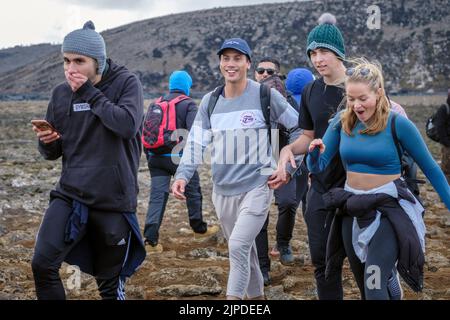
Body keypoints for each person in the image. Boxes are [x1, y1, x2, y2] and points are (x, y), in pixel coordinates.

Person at [306, 59, 450, 300]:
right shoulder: (342, 122)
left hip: (388, 209)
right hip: (352, 209)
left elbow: (431, 169)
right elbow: (317, 165)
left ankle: (386, 277)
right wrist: (313, 152)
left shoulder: (398, 124)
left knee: (373, 285)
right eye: (351, 99)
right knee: (366, 284)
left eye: (363, 98)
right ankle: (390, 281)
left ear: (379, 92)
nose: (356, 106)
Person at [171, 38, 301, 300]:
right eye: (226, 58)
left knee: (238, 246)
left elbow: (298, 128)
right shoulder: (210, 101)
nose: (231, 64)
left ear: (247, 63)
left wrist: (286, 165)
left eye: (237, 58)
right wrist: (182, 175)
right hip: (222, 193)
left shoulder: (265, 95)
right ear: (220, 63)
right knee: (247, 253)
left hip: (257, 186)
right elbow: (195, 143)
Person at [31, 21, 146, 300]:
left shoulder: (126, 83)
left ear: (99, 61)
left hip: (112, 199)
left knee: (109, 284)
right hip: (70, 194)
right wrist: (48, 142)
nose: (71, 69)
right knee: (42, 264)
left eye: (79, 61)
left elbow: (127, 125)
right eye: (66, 61)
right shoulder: (60, 94)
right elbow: (54, 151)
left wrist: (88, 93)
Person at [269, 13, 347, 300]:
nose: (318, 58)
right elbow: (307, 135)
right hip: (321, 187)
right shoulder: (311, 89)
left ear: (339, 53)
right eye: (313, 53)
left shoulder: (359, 88)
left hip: (357, 186)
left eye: (324, 51)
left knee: (366, 263)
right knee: (323, 263)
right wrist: (288, 150)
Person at [143, 70, 219, 253]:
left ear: (171, 84)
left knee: (157, 197)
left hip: (155, 159)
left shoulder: (156, 103)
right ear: (187, 86)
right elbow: (195, 132)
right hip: (179, 158)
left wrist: (151, 157)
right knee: (193, 191)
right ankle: (199, 228)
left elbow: (147, 133)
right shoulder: (188, 104)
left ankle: (150, 240)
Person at [253, 58, 304, 286]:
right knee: (258, 215)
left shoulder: (288, 99)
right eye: (260, 70)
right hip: (258, 160)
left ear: (278, 74)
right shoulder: (247, 96)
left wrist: (292, 165)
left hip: (283, 154)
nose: (264, 74)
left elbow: (301, 130)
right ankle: (263, 267)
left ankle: (283, 242)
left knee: (288, 202)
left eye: (269, 71)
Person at [435, 90, 450, 182]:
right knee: (447, 171)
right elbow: (439, 127)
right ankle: (447, 194)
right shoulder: (444, 108)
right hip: (448, 147)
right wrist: (447, 143)